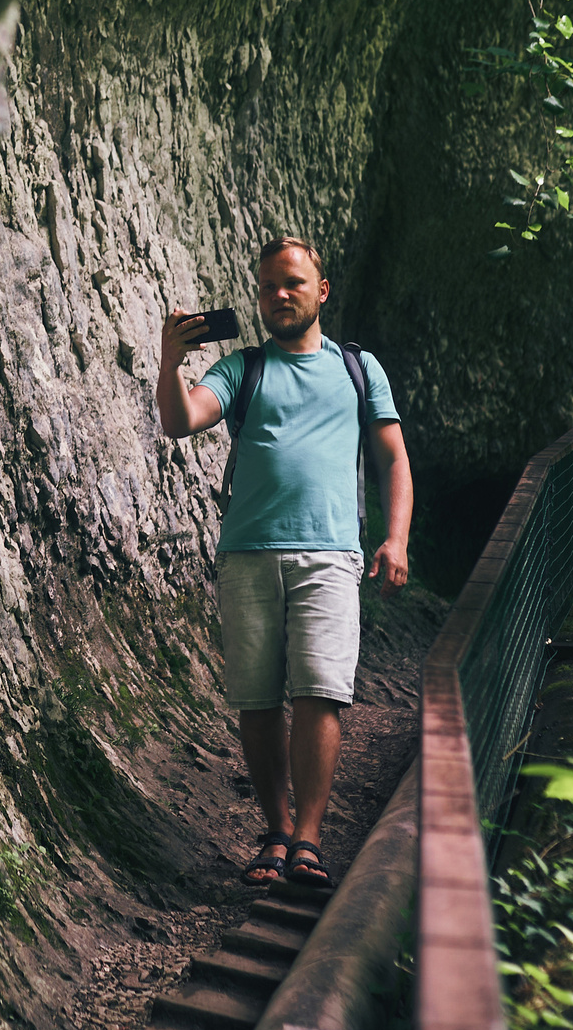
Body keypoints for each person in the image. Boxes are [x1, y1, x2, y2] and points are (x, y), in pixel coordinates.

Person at [155, 237, 413, 891]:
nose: (280, 294)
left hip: (331, 553)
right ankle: (275, 831)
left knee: (320, 692)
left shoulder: (359, 369)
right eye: (270, 285)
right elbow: (183, 419)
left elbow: (393, 460)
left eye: (293, 282)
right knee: (259, 700)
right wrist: (169, 361)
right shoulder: (243, 369)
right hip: (247, 555)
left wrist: (398, 538)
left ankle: (307, 836)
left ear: (321, 289)